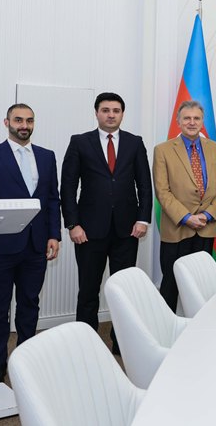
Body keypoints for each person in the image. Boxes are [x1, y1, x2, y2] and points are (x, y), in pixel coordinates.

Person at [0, 104, 61, 384]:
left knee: (29, 305)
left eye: (29, 120)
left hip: (36, 246)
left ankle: (25, 361)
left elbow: (52, 199)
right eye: (18, 120)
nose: (24, 125)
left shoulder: (47, 156)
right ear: (6, 122)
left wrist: (54, 234)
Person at [60, 92, 152, 354]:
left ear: (122, 114)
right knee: (88, 290)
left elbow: (144, 185)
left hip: (128, 230)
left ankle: (121, 342)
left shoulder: (135, 143)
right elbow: (68, 186)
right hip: (88, 231)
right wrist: (73, 224)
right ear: (96, 113)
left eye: (116, 110)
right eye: (105, 110)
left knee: (124, 291)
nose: (111, 115)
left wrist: (143, 219)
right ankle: (86, 344)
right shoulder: (80, 142)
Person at [153, 100, 216, 309]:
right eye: (187, 118)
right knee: (171, 283)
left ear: (202, 122)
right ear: (178, 121)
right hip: (177, 228)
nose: (192, 122)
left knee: (201, 284)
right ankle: (167, 324)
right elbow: (162, 191)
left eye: (196, 118)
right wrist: (186, 217)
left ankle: (199, 324)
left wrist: (207, 215)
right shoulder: (163, 150)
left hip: (206, 227)